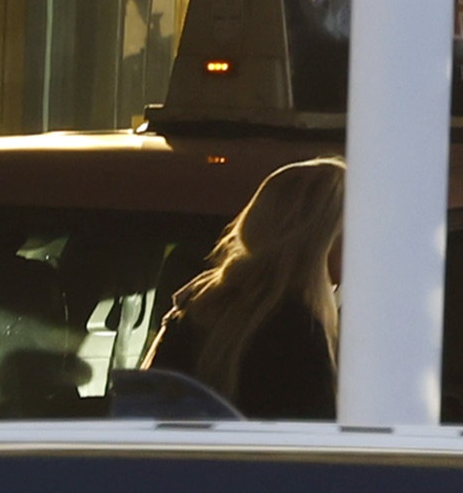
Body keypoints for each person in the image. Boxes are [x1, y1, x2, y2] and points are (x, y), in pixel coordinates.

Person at [147, 155, 345, 417]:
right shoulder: (299, 330)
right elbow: (313, 431)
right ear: (323, 239)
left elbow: (147, 410)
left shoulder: (200, 306)